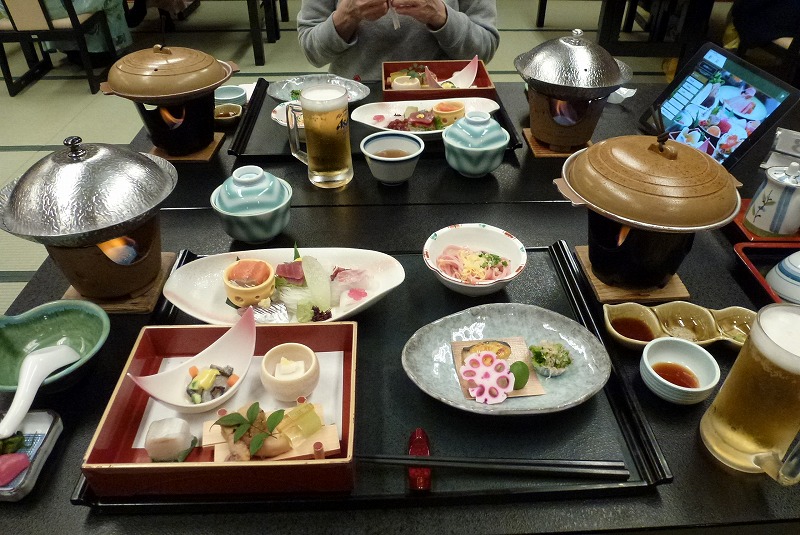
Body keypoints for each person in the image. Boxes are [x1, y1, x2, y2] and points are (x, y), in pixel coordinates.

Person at [297, 0, 499, 81]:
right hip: (354, 107)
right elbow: (312, 51)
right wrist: (348, 14)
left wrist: (440, 15)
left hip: (442, 106)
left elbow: (483, 51)